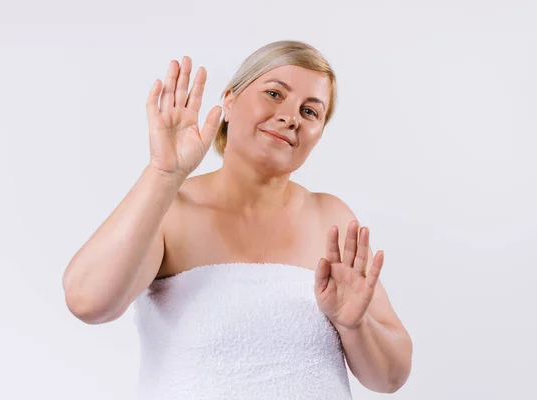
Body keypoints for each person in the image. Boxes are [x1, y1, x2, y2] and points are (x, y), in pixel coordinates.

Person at [62, 40, 413, 399]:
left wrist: (354, 325)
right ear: (229, 100)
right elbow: (88, 302)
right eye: (275, 93)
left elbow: (390, 378)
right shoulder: (170, 210)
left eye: (310, 112)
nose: (291, 116)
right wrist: (164, 174)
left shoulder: (331, 219)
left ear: (318, 133)